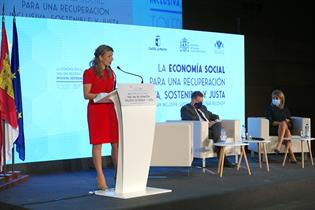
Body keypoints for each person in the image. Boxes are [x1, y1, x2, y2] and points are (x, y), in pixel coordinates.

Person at [83, 45, 118, 190]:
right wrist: (99, 95)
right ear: (100, 57)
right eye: (109, 56)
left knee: (115, 143)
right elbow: (86, 95)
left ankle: (120, 173)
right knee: (97, 144)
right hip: (96, 111)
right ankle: (100, 176)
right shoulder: (89, 72)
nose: (112, 59)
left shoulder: (111, 73)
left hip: (110, 109)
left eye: (112, 56)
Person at [181, 91, 233, 167]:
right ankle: (222, 156)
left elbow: (213, 115)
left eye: (202, 101)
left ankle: (218, 146)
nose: (201, 103)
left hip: (211, 130)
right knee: (218, 129)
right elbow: (192, 121)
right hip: (199, 131)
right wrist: (206, 125)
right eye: (199, 101)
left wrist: (214, 120)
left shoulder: (203, 107)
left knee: (217, 125)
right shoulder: (185, 109)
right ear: (193, 100)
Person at [265, 89, 297, 163]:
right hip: (274, 129)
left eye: (277, 98)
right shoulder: (269, 109)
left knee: (287, 130)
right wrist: (282, 123)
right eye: (273, 98)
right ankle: (290, 154)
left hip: (285, 129)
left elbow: (290, 124)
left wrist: (287, 122)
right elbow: (271, 122)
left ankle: (279, 147)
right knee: (285, 128)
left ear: (281, 99)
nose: (275, 99)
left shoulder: (285, 109)